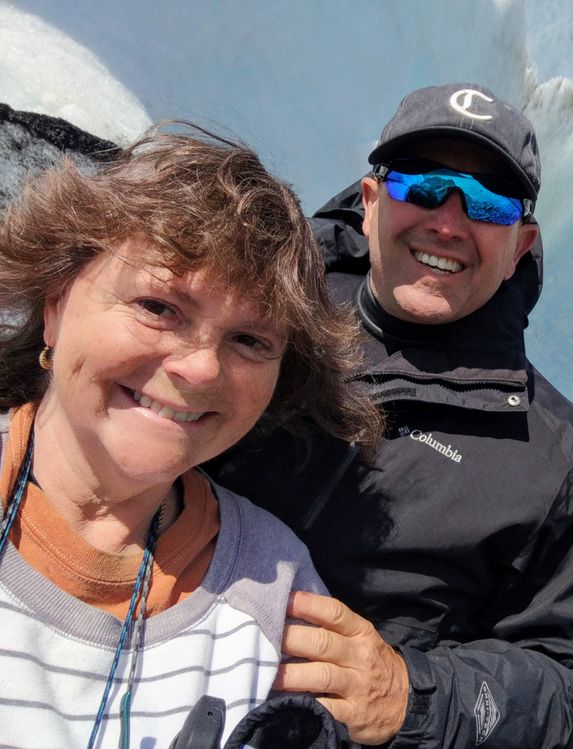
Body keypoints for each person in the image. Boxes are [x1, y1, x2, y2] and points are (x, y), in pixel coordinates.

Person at [209, 83, 573, 749]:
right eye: (421, 185)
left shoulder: (560, 462)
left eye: (488, 203)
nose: (447, 221)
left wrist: (414, 694)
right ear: (370, 200)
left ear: (520, 243)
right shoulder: (250, 323)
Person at [0, 125, 381, 748]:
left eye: (251, 341)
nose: (201, 368)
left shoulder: (273, 586)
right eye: (158, 306)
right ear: (54, 303)